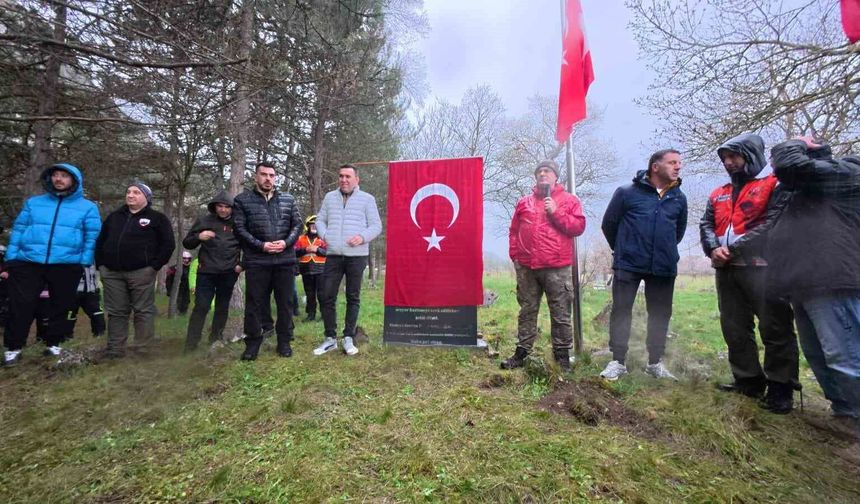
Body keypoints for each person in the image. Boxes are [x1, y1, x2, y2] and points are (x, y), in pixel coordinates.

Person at [768, 137, 860, 464]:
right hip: (803, 283)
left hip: (833, 280)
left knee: (846, 356)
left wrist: (795, 143)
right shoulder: (802, 187)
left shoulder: (847, 172)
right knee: (819, 355)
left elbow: (790, 165)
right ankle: (846, 414)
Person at [699, 133, 799, 413]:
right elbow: (706, 223)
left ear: (751, 155)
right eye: (724, 158)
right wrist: (712, 248)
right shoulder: (718, 192)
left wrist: (734, 249)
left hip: (764, 267)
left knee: (775, 328)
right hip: (726, 269)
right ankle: (748, 380)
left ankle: (781, 388)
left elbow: (773, 222)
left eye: (734, 157)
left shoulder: (774, 184)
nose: (728, 163)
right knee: (734, 327)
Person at [599, 149, 688, 381]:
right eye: (672, 162)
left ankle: (655, 363)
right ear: (655, 167)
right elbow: (609, 224)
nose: (678, 167)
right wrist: (623, 249)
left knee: (660, 314)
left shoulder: (679, 198)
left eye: (679, 163)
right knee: (621, 310)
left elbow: (678, 232)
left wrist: (663, 250)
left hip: (663, 266)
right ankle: (618, 361)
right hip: (628, 263)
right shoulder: (626, 193)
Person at [2, 163, 101, 366]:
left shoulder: (88, 207)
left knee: (61, 305)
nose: (59, 179)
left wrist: (84, 261)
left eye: (64, 175)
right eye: (55, 175)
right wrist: (11, 257)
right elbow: (19, 229)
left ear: (74, 180)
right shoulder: (34, 203)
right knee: (21, 305)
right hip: (28, 261)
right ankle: (13, 348)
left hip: (66, 263)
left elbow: (91, 237)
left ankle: (54, 344)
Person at [500, 160, 586, 372]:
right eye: (539, 171)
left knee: (560, 312)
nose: (542, 174)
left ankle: (562, 357)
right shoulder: (524, 202)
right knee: (527, 310)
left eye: (547, 171)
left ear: (556, 176)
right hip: (527, 266)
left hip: (557, 266)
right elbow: (514, 231)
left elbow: (578, 227)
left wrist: (556, 212)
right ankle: (522, 353)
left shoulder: (569, 200)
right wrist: (515, 256)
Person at [95, 181, 174, 358]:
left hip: (141, 272)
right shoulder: (114, 217)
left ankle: (143, 349)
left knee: (143, 310)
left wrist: (153, 267)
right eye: (129, 192)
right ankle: (115, 350)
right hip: (112, 272)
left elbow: (168, 244)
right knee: (116, 312)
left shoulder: (157, 218)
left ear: (146, 197)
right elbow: (100, 241)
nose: (130, 195)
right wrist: (100, 264)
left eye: (136, 192)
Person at [232, 161, 302, 361]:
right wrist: (261, 245)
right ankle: (253, 343)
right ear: (256, 177)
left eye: (271, 175)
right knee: (254, 304)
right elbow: (239, 229)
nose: (268, 179)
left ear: (275, 178)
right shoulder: (242, 200)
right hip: (257, 261)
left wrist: (286, 242)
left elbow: (297, 225)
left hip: (285, 260)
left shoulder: (288, 199)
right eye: (263, 174)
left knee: (285, 303)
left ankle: (284, 341)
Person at [313, 164, 382, 357]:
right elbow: (320, 220)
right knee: (327, 296)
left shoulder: (367, 199)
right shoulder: (330, 197)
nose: (343, 180)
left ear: (356, 179)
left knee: (353, 296)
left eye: (348, 176)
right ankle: (330, 339)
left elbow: (376, 226)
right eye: (341, 176)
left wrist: (362, 237)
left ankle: (348, 337)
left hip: (357, 256)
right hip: (333, 255)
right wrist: (325, 235)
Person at [182, 191, 242, 351]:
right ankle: (190, 345)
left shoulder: (238, 223)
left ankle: (216, 339)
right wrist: (199, 237)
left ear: (232, 208)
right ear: (214, 207)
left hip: (229, 272)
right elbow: (187, 243)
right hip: (206, 272)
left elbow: (248, 245)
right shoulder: (205, 221)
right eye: (220, 206)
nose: (223, 210)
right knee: (201, 306)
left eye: (227, 207)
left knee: (222, 307)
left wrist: (241, 265)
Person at [295, 215, 327, 322]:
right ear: (307, 226)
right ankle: (311, 314)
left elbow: (329, 251)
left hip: (321, 269)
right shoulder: (300, 239)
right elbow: (294, 252)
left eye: (316, 225)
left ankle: (324, 315)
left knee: (322, 294)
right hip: (306, 269)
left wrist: (317, 250)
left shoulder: (324, 238)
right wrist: (305, 250)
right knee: (309, 294)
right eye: (312, 225)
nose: (314, 227)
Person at [166, 250, 193, 315]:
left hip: (186, 288)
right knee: (178, 301)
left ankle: (183, 314)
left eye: (188, 259)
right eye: (184, 258)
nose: (186, 260)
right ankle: (175, 314)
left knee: (186, 301)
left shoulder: (191, 268)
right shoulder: (174, 268)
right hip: (177, 288)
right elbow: (168, 280)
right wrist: (169, 290)